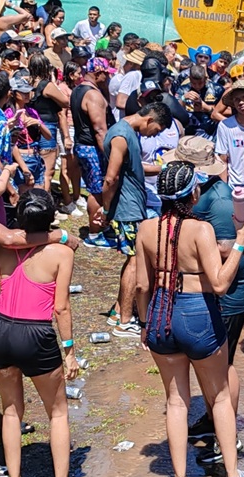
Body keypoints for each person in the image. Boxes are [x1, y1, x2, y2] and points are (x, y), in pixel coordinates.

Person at [135, 161, 244, 477]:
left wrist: (146, 326)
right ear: (193, 193)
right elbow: (219, 283)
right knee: (218, 397)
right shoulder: (200, 229)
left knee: (176, 401)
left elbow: (143, 284)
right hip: (198, 314)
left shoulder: (146, 229)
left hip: (160, 315)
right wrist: (241, 240)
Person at [0, 188, 88, 477]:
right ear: (51, 218)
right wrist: (69, 352)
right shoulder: (62, 253)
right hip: (35, 335)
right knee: (57, 411)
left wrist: (7, 301)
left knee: (11, 409)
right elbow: (61, 308)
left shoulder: (2, 249)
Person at [94, 103, 173, 337]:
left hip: (132, 206)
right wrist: (107, 211)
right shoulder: (121, 135)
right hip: (126, 209)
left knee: (131, 261)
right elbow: (111, 178)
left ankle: (119, 311)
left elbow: (135, 168)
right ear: (149, 120)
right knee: (136, 261)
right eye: (156, 130)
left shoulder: (129, 134)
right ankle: (125, 322)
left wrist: (164, 168)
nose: (155, 135)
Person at [72, 58, 116, 249]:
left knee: (96, 189)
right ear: (98, 72)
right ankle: (94, 233)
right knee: (97, 191)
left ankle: (102, 225)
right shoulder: (93, 96)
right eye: (107, 73)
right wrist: (109, 154)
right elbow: (100, 130)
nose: (109, 77)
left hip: (83, 146)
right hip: (92, 148)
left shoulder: (79, 90)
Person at [27, 54, 68, 193]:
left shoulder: (27, 82)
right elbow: (65, 101)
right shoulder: (47, 85)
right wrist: (54, 82)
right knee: (48, 170)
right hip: (47, 126)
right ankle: (45, 200)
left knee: (36, 166)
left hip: (32, 125)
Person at [215, 80, 244, 189]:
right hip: (236, 185)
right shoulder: (226, 126)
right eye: (237, 100)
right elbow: (223, 159)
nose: (241, 102)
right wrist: (224, 189)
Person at [176, 64, 224, 138]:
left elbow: (227, 111)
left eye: (200, 83)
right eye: (194, 83)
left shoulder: (217, 89)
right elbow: (174, 108)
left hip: (211, 131)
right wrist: (183, 99)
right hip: (189, 131)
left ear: (205, 78)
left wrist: (206, 108)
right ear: (189, 78)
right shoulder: (183, 89)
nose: (197, 86)